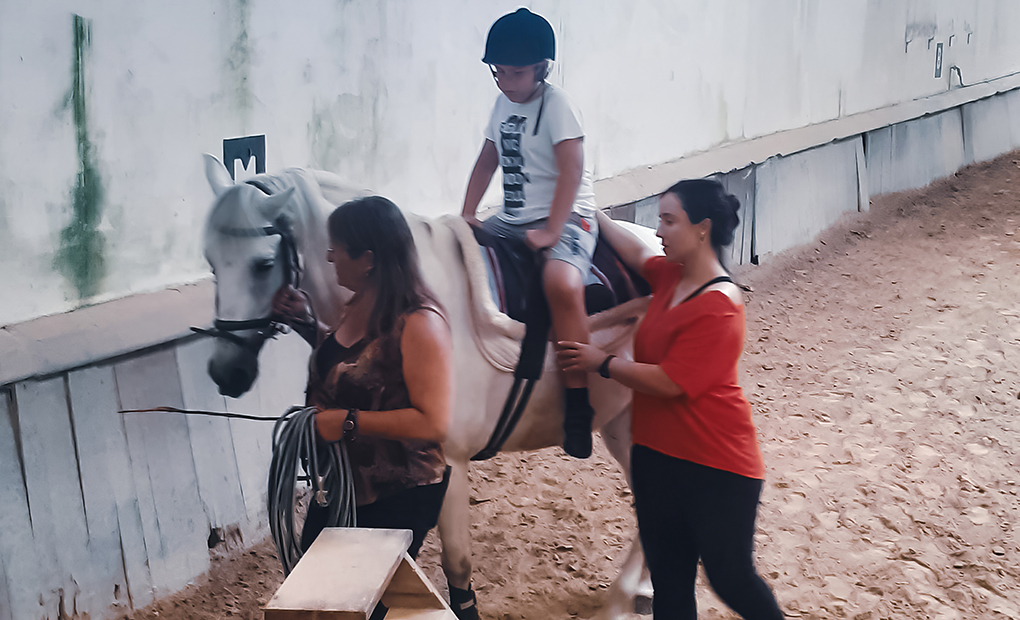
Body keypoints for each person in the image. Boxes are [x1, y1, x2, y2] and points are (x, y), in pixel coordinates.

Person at [556, 179, 784, 620]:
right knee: (669, 583)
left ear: (702, 228)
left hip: (717, 467)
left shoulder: (720, 304)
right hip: (656, 458)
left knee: (730, 577)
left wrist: (600, 363)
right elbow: (636, 253)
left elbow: (669, 382)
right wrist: (590, 211)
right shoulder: (669, 277)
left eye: (668, 220)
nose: (658, 230)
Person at [272, 196, 453, 619]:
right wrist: (307, 324)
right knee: (316, 600)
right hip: (342, 486)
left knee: (345, 607)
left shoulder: (420, 323)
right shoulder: (355, 305)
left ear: (368, 258)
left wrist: (348, 423)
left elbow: (434, 420)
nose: (330, 257)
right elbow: (356, 370)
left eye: (337, 248)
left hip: (399, 491)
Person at [461, 8, 600, 459]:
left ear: (541, 70)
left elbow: (571, 169)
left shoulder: (558, 106)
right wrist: (466, 215)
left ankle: (578, 404)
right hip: (514, 217)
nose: (504, 80)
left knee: (561, 282)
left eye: (515, 72)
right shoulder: (502, 105)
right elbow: (487, 160)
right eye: (497, 72)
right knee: (454, 252)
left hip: (568, 217)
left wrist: (554, 230)